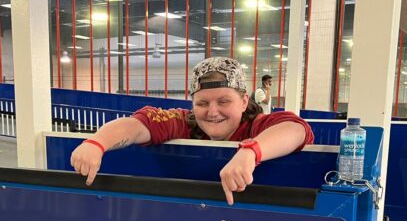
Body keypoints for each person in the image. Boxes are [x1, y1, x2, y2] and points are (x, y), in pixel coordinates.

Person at [70, 57, 314, 205]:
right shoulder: (182, 122)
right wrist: (97, 143)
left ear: (243, 101)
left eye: (224, 101)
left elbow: (295, 129)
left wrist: (250, 151)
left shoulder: (258, 126)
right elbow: (134, 125)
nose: (212, 111)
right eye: (202, 103)